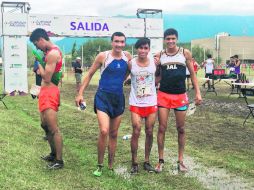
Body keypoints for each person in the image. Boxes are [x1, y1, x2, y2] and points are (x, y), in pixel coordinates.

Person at [75, 32, 132, 177]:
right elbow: (89, 75)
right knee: (104, 131)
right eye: (116, 41)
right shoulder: (103, 56)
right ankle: (99, 165)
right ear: (111, 42)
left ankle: (111, 165)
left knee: (113, 133)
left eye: (122, 42)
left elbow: (129, 73)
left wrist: (122, 81)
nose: (119, 44)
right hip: (103, 97)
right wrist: (80, 93)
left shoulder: (128, 57)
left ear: (124, 43)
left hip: (118, 99)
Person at [154, 28, 202, 173]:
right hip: (163, 96)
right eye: (168, 39)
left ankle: (181, 161)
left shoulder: (184, 53)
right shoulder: (160, 55)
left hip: (180, 96)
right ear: (164, 40)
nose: (170, 41)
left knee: (181, 129)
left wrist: (198, 93)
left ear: (177, 39)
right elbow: (157, 77)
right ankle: (160, 160)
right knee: (162, 128)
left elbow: (193, 75)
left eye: (173, 38)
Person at [30, 28, 64, 169]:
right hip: (45, 91)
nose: (36, 47)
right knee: (44, 125)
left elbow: (47, 77)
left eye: (36, 44)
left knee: (53, 128)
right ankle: (53, 153)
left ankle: (59, 161)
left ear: (41, 40)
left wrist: (39, 67)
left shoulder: (53, 53)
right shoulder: (48, 53)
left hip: (50, 92)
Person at [128, 38, 157, 174]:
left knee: (150, 131)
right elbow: (122, 77)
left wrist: (155, 84)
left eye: (145, 48)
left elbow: (161, 75)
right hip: (136, 103)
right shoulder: (131, 64)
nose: (143, 51)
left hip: (151, 102)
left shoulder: (155, 63)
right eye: (140, 48)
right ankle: (134, 162)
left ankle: (146, 161)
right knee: (136, 130)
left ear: (149, 49)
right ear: (137, 49)